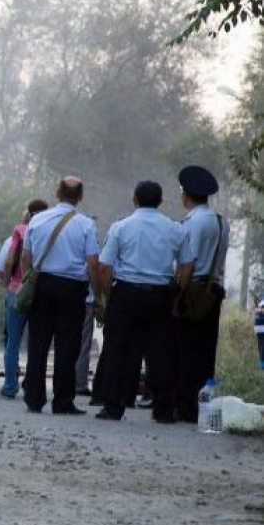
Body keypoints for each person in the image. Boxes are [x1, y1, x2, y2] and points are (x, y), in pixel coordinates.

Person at [95, 181, 194, 422]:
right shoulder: (174, 229)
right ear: (160, 201)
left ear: (134, 199)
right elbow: (187, 264)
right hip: (160, 295)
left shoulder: (121, 227)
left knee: (117, 349)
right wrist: (177, 294)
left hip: (126, 293)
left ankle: (113, 406)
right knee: (161, 353)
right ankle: (163, 409)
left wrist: (109, 295)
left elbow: (105, 266)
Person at [20, 177, 100, 415]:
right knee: (68, 346)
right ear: (81, 197)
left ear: (57, 192)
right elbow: (93, 263)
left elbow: (26, 258)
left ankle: (34, 398)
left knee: (38, 344)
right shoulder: (86, 225)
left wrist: (28, 284)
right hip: (73, 289)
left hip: (42, 285)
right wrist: (98, 296)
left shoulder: (37, 219)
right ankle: (63, 401)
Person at [173, 166, 230, 423]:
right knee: (206, 351)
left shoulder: (193, 222)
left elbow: (189, 262)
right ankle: (202, 407)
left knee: (185, 350)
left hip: (194, 291)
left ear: (186, 195)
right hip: (213, 291)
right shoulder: (221, 221)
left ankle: (185, 406)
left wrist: (176, 297)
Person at [0, 199, 49, 399]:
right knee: (37, 343)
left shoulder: (20, 229)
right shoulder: (49, 230)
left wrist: (8, 282)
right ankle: (32, 384)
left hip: (17, 290)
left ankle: (10, 386)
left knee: (13, 342)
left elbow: (11, 259)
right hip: (41, 291)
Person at [255, 298, 264, 374]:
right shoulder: (258, 319)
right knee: (262, 352)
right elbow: (258, 331)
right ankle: (261, 371)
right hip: (261, 340)